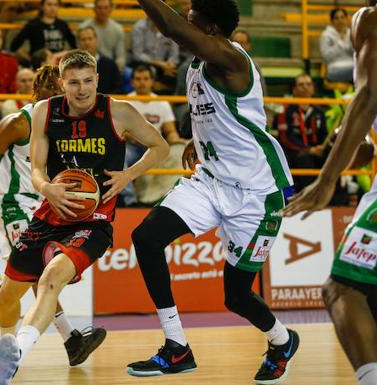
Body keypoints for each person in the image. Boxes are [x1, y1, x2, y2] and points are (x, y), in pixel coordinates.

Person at [125, 1, 300, 384]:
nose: (184, 26)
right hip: (211, 179)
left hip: (256, 192)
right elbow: (221, 114)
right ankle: (177, 348)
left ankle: (281, 341)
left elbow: (171, 29)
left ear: (211, 29)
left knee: (236, 297)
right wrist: (196, 140)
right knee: (146, 237)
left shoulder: (231, 58)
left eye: (192, 23)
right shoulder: (199, 65)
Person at [0, 49, 169, 385]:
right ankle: (7, 344)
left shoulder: (119, 112)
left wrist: (130, 174)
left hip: (94, 220)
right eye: (74, 83)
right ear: (62, 83)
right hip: (50, 212)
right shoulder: (45, 112)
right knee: (6, 296)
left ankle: (14, 360)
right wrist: (46, 189)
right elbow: (38, 170)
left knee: (50, 279)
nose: (82, 89)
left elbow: (160, 146)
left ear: (97, 80)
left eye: (88, 81)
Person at [0, 65, 106, 380]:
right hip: (11, 203)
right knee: (35, 272)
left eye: (59, 85)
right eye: (51, 85)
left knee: (23, 277)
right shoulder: (19, 122)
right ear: (37, 90)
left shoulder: (64, 122)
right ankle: (67, 340)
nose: (58, 91)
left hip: (41, 205)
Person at [281, 2, 377, 385]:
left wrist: (327, 179)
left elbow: (368, 97)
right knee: (365, 285)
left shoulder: (376, 17)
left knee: (341, 287)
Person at [121, 64, 185, 206]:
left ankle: (164, 198)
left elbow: (170, 131)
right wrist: (139, 138)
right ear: (132, 82)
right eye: (138, 79)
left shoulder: (161, 103)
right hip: (131, 146)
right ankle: (130, 201)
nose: (142, 82)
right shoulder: (125, 102)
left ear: (152, 82)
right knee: (120, 156)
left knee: (180, 152)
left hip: (156, 147)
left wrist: (178, 141)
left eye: (145, 79)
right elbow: (121, 131)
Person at [273, 73, 328, 192]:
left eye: (308, 84)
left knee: (332, 156)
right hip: (292, 152)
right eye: (301, 85)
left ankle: (336, 197)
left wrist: (321, 148)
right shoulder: (285, 110)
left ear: (313, 88)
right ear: (294, 89)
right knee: (304, 158)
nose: (305, 87)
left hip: (314, 151)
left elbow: (323, 135)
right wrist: (308, 150)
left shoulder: (319, 111)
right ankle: (306, 195)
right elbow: (285, 138)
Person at [10, 0, 76, 65]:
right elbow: (14, 46)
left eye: (55, 5)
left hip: (58, 64)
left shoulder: (62, 24)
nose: (52, 8)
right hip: (39, 65)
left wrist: (62, 54)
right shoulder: (33, 24)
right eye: (49, 4)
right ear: (42, 6)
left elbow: (74, 46)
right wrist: (30, 59)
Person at [130, 16, 179, 93]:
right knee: (143, 69)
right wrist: (159, 63)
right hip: (145, 63)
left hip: (164, 66)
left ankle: (166, 102)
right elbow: (137, 54)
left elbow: (174, 54)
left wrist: (169, 64)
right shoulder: (139, 27)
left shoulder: (171, 28)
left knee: (174, 73)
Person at [79, 0, 126, 71]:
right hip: (88, 65)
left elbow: (120, 56)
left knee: (128, 72)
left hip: (111, 67)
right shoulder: (83, 27)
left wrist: (116, 69)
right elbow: (79, 52)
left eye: (106, 7)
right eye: (100, 8)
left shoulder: (118, 29)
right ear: (94, 9)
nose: (103, 11)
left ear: (111, 9)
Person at [77, 26, 120, 94]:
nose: (87, 42)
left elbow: (118, 90)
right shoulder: (73, 66)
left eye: (90, 39)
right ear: (78, 43)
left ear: (96, 40)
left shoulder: (110, 65)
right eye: (83, 39)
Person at [320, 8, 354, 83]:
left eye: (342, 17)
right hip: (334, 68)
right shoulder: (326, 35)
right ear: (332, 21)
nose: (340, 20)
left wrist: (349, 42)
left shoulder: (351, 34)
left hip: (352, 65)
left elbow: (356, 54)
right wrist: (340, 42)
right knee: (360, 72)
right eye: (336, 18)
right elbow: (326, 56)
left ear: (346, 19)